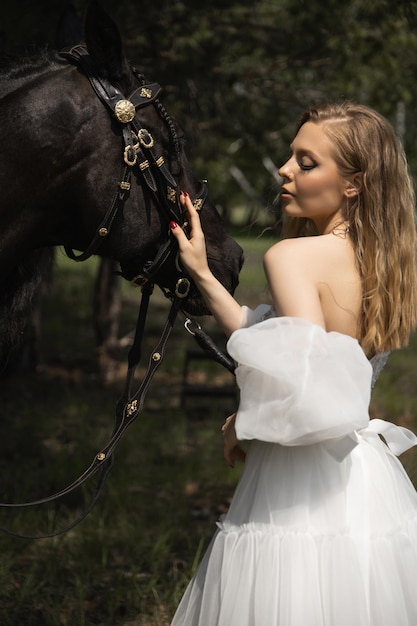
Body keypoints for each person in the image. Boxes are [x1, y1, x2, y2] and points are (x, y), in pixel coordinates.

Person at [169, 102, 417, 625]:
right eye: (291, 156)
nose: (284, 169)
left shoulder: (292, 255)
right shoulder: (382, 262)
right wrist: (203, 275)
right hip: (360, 475)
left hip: (297, 481)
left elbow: (306, 378)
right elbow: (288, 344)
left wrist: (245, 421)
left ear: (353, 184)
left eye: (307, 162)